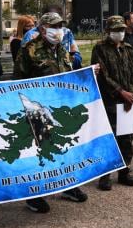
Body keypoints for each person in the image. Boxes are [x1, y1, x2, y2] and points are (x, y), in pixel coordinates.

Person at [14, 12, 89, 209]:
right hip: (38, 109)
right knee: (40, 150)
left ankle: (68, 185)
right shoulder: (29, 49)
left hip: (60, 106)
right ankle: (35, 194)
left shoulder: (62, 49)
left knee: (65, 145)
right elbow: (18, 80)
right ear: (42, 28)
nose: (58, 30)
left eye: (60, 26)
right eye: (54, 26)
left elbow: (67, 73)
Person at [90, 16, 133, 190]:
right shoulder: (100, 49)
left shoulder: (128, 48)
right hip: (110, 101)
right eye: (116, 30)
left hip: (128, 102)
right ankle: (105, 176)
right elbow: (103, 76)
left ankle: (124, 172)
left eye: (122, 29)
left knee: (127, 138)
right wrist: (121, 92)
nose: (120, 33)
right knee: (109, 139)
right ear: (108, 31)